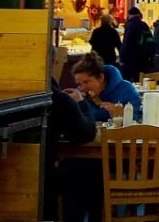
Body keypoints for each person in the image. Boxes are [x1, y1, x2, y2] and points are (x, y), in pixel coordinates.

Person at [45, 78, 97, 222]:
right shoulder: (58, 98)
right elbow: (86, 133)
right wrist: (81, 103)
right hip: (45, 177)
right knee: (87, 171)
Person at [66, 51, 141, 122]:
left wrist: (120, 114)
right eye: (79, 84)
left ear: (101, 77)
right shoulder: (78, 96)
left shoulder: (127, 90)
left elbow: (136, 121)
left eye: (87, 82)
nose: (82, 88)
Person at [119, 7, 154, 82]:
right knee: (140, 81)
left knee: (128, 82)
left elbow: (126, 43)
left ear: (129, 15)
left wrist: (122, 58)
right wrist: (149, 56)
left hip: (129, 60)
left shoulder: (129, 25)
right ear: (139, 15)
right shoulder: (144, 25)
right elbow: (150, 41)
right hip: (142, 59)